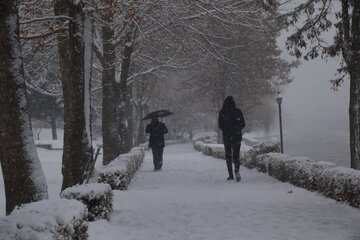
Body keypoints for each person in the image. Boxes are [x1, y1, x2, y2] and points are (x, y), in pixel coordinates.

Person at [218, 96, 246, 182]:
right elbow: (243, 124)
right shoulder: (237, 111)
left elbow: (220, 124)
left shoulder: (222, 112)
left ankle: (230, 174)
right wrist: (236, 129)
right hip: (236, 137)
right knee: (236, 156)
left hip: (227, 137)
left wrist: (226, 130)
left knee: (228, 156)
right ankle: (237, 171)